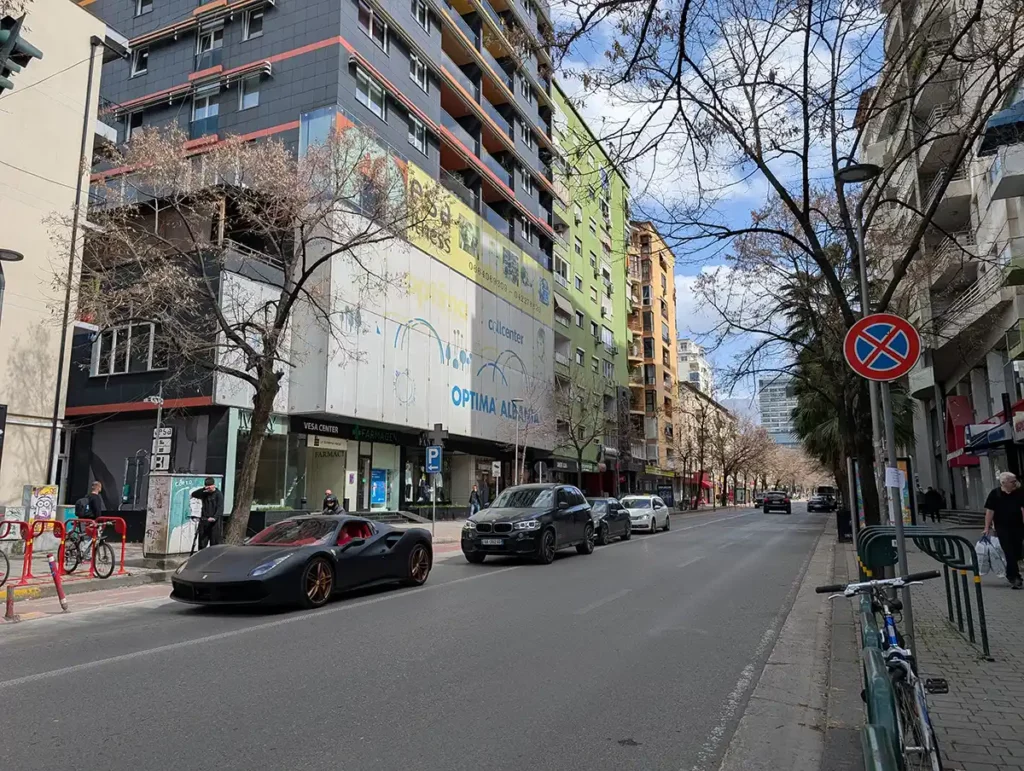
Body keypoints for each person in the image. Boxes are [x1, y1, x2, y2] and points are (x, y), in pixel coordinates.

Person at [983, 471, 1024, 589]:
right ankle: (1014, 577)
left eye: (1015, 481)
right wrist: (987, 527)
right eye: (1012, 481)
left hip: (1018, 527)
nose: (1015, 483)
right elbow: (990, 511)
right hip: (1002, 528)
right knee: (1009, 551)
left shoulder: (1019, 493)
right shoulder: (995, 494)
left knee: (1017, 551)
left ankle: (1012, 573)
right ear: (1004, 482)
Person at [191, 477, 224, 549]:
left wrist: (214, 517)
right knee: (202, 544)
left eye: (210, 486)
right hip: (205, 521)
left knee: (214, 544)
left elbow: (220, 508)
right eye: (207, 486)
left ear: (214, 485)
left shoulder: (218, 494)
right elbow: (194, 494)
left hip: (214, 523)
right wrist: (203, 489)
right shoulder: (205, 494)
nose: (209, 488)